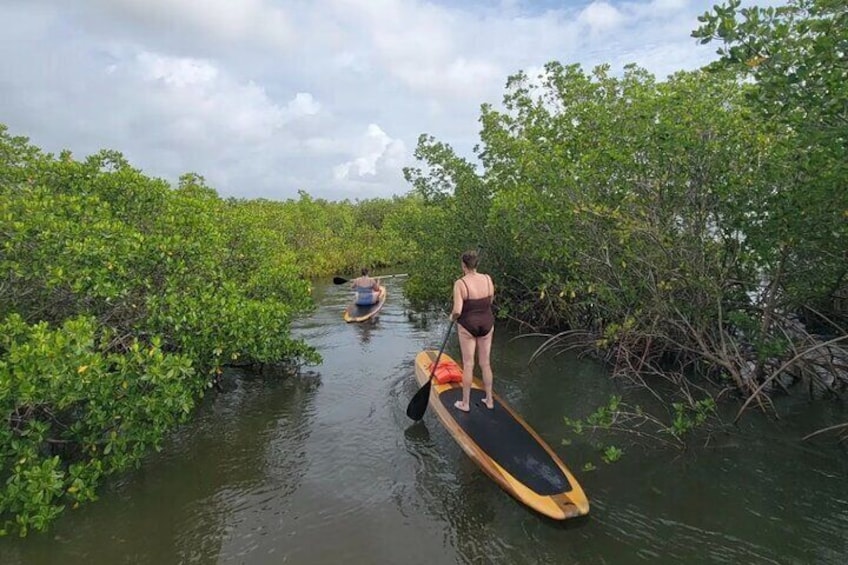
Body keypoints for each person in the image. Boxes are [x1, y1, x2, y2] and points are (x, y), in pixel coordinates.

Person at [450, 250, 495, 412]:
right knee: (485, 363)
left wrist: (452, 317)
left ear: (463, 265)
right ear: (477, 265)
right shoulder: (488, 279)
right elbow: (490, 300)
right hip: (487, 322)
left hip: (468, 325)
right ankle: (489, 400)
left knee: (468, 364)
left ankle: (465, 403)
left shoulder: (460, 284)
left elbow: (457, 310)